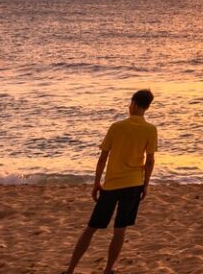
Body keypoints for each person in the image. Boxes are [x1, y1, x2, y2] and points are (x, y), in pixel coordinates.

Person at [65, 89, 158, 274]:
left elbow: (103, 158)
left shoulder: (117, 127)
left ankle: (70, 271)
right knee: (120, 229)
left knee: (91, 228)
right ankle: (108, 270)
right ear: (147, 107)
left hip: (112, 185)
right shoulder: (150, 129)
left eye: (130, 103)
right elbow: (150, 161)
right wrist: (145, 185)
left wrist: (96, 183)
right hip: (133, 184)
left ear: (134, 104)